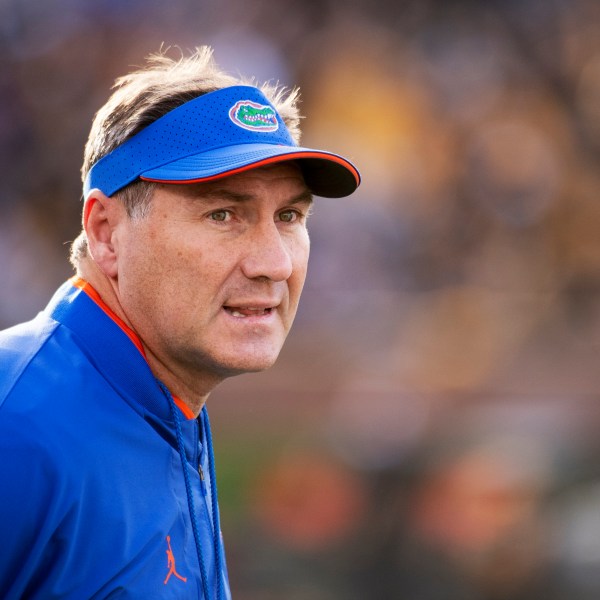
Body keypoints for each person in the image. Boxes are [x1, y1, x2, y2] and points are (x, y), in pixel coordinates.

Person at [0, 46, 360, 599]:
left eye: (289, 216)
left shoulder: (169, 402)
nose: (274, 264)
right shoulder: (16, 421)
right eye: (223, 214)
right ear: (104, 232)